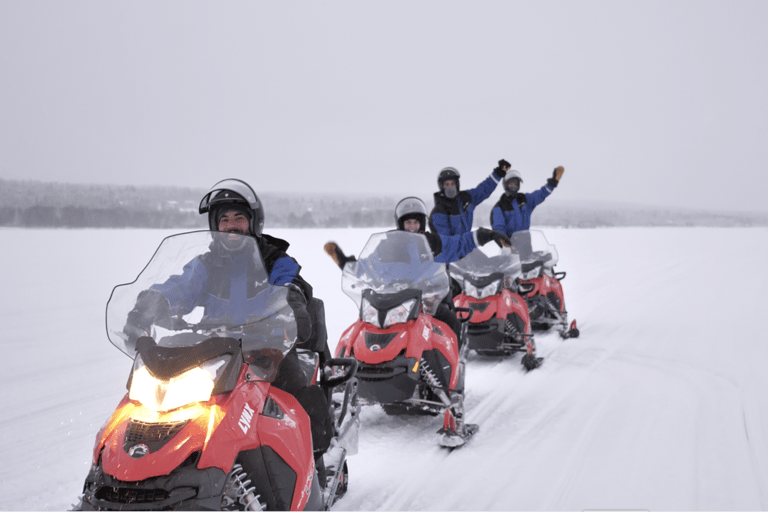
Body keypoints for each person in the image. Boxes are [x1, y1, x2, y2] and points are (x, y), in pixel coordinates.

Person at [124, 178, 334, 458]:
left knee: (295, 393)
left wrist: (293, 302)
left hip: (266, 347)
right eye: (224, 219)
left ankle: (314, 460)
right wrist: (152, 303)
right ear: (215, 226)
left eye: (238, 218)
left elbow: (289, 282)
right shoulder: (206, 264)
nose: (231, 225)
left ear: (253, 222)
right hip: (216, 350)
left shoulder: (274, 258)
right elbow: (181, 286)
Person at [325, 196, 509, 343]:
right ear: (401, 224)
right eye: (408, 223)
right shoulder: (388, 244)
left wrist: (487, 234)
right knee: (367, 327)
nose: (412, 227)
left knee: (450, 321)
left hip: (430, 299)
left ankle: (455, 363)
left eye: (415, 222)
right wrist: (345, 263)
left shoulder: (433, 242)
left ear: (422, 223)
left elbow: (460, 243)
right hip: (395, 299)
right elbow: (367, 267)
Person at [428, 160, 510, 238]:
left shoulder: (465, 199)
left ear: (457, 184)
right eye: (446, 184)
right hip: (451, 250)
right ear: (441, 186)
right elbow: (447, 243)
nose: (450, 187)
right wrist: (476, 238)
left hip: (466, 247)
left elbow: (483, 190)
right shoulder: (438, 213)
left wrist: (498, 174)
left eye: (452, 183)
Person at [491, 166, 565, 237]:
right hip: (510, 246)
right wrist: (506, 245)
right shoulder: (499, 207)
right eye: (511, 184)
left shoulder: (525, 199)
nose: (513, 186)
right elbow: (499, 230)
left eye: (515, 183)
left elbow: (541, 194)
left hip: (526, 244)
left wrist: (552, 183)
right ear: (506, 185)